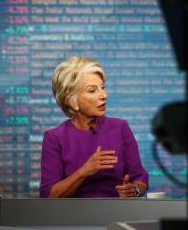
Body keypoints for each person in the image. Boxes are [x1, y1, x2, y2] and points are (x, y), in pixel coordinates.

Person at [40, 56, 149, 198]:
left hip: (117, 214)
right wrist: (84, 171)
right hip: (72, 217)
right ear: (72, 102)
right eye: (92, 90)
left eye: (102, 88)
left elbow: (140, 178)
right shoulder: (54, 138)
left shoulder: (120, 128)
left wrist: (135, 189)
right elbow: (48, 195)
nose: (104, 95)